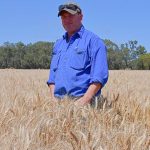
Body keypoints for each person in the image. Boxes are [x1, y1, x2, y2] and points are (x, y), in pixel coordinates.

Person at [47, 2, 108, 106]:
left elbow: (99, 77)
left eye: (70, 16)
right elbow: (52, 77)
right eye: (63, 17)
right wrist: (53, 99)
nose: (67, 20)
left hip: (84, 104)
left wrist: (84, 100)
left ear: (81, 17)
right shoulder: (58, 44)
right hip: (58, 104)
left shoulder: (94, 41)